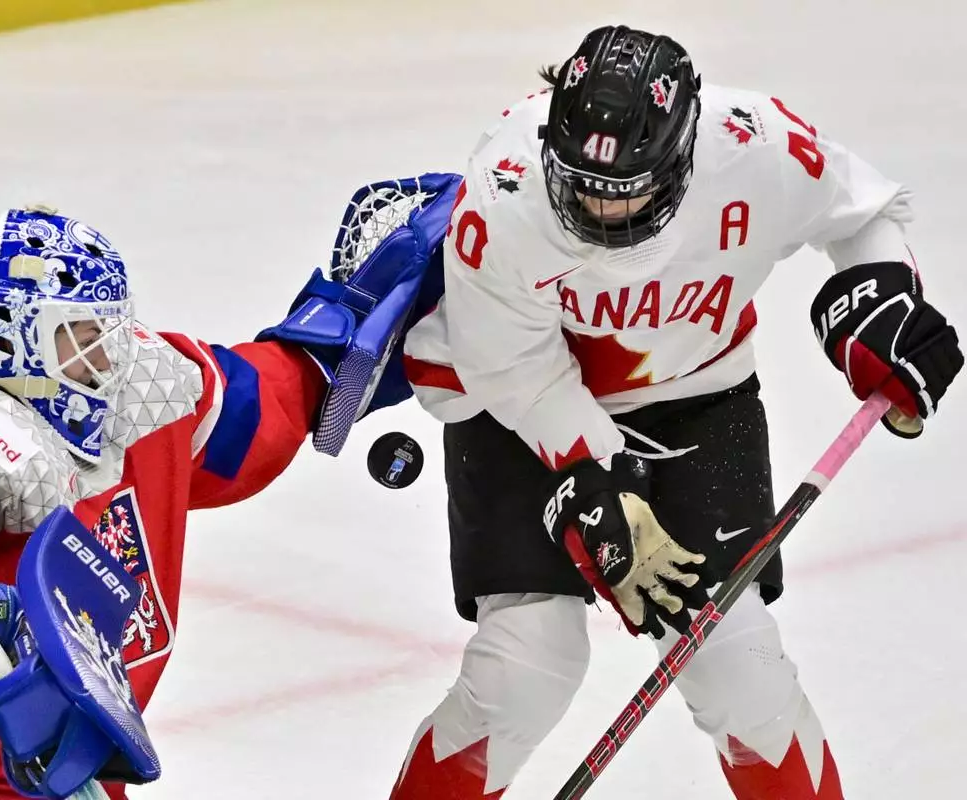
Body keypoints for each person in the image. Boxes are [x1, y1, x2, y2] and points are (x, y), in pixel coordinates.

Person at [393, 25, 963, 799]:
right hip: (519, 410)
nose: (599, 208)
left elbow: (862, 211)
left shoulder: (755, 147)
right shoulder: (504, 187)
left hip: (696, 398)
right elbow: (513, 369)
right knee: (527, 666)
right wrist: (596, 476)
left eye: (627, 189)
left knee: (740, 672)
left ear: (685, 155)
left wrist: (880, 304)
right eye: (583, 183)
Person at [0, 204, 420, 799]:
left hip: (50, 775)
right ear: (13, 338)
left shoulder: (135, 391)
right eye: (80, 333)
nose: (107, 354)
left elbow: (252, 410)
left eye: (106, 329)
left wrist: (341, 347)